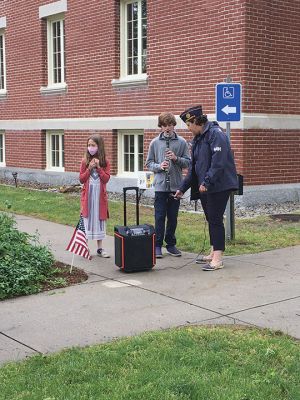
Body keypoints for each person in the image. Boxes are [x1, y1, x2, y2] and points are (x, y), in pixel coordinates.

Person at [174, 105, 238, 271]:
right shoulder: (198, 139)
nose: (188, 129)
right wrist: (182, 188)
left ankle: (218, 258)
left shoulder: (216, 135)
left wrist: (207, 182)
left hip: (219, 185)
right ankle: (213, 251)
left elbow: (219, 163)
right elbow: (194, 167)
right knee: (211, 219)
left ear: (196, 121)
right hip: (206, 187)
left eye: (189, 125)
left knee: (215, 219)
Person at [146, 112, 191, 258]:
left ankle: (170, 244)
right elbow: (149, 164)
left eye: (170, 125)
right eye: (164, 125)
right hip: (160, 186)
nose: (167, 128)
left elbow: (188, 162)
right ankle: (157, 245)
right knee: (159, 217)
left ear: (174, 125)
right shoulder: (154, 143)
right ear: (161, 126)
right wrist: (160, 166)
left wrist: (176, 158)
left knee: (172, 217)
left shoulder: (182, 142)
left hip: (175, 186)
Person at [79, 134, 111, 258]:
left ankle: (100, 248)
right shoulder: (84, 161)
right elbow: (81, 179)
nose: (90, 148)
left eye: (93, 145)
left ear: (99, 146)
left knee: (99, 221)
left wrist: (98, 168)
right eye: (89, 145)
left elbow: (106, 179)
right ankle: (84, 247)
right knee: (87, 221)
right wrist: (89, 168)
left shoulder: (105, 162)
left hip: (99, 198)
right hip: (88, 197)